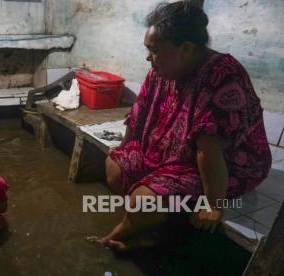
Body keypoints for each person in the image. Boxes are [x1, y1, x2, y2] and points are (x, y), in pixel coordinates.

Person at [100, 1, 271, 251]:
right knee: (115, 166)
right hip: (170, 151)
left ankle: (134, 231)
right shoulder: (162, 68)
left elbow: (209, 152)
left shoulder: (223, 76)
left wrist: (213, 205)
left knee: (142, 201)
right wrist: (124, 146)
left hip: (226, 164)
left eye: (154, 50)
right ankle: (156, 221)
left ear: (187, 48)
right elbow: (140, 112)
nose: (149, 57)